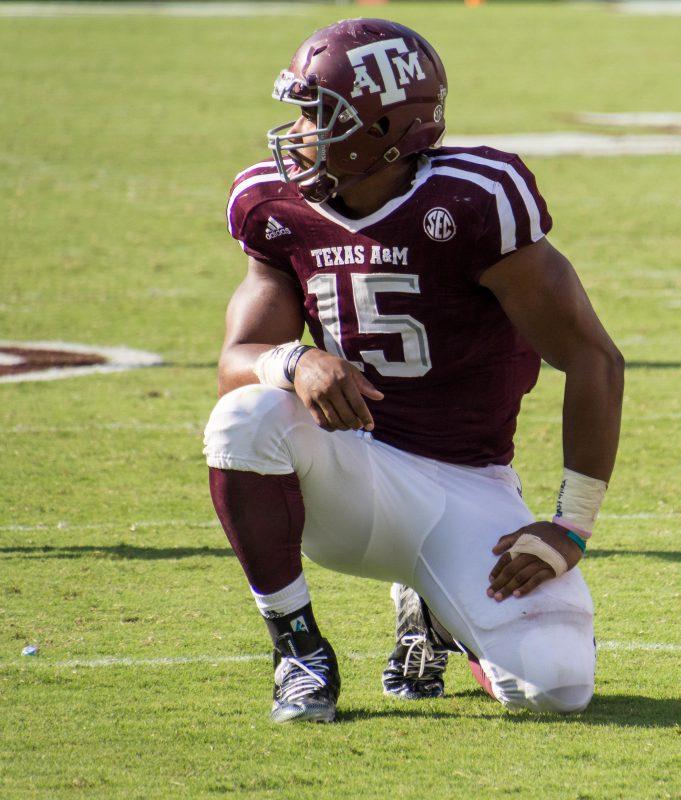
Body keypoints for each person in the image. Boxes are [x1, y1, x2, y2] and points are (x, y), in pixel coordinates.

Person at [202, 18, 624, 722]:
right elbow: (234, 361)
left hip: (464, 483)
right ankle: (299, 652)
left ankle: (436, 610)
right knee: (245, 416)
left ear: (386, 128)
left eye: (319, 115)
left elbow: (592, 358)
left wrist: (570, 526)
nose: (299, 130)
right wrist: (297, 359)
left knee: (556, 688)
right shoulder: (274, 204)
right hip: (341, 477)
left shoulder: (475, 199)